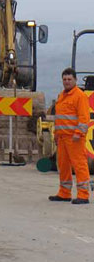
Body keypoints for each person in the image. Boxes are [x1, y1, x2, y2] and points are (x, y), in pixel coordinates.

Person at [49, 67, 90, 204]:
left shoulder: (80, 96)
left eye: (69, 79)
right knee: (63, 166)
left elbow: (84, 118)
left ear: (75, 80)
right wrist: (56, 134)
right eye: (64, 79)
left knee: (79, 165)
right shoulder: (61, 96)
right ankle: (64, 193)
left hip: (74, 138)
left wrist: (79, 133)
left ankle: (83, 195)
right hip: (62, 138)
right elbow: (59, 118)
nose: (67, 82)